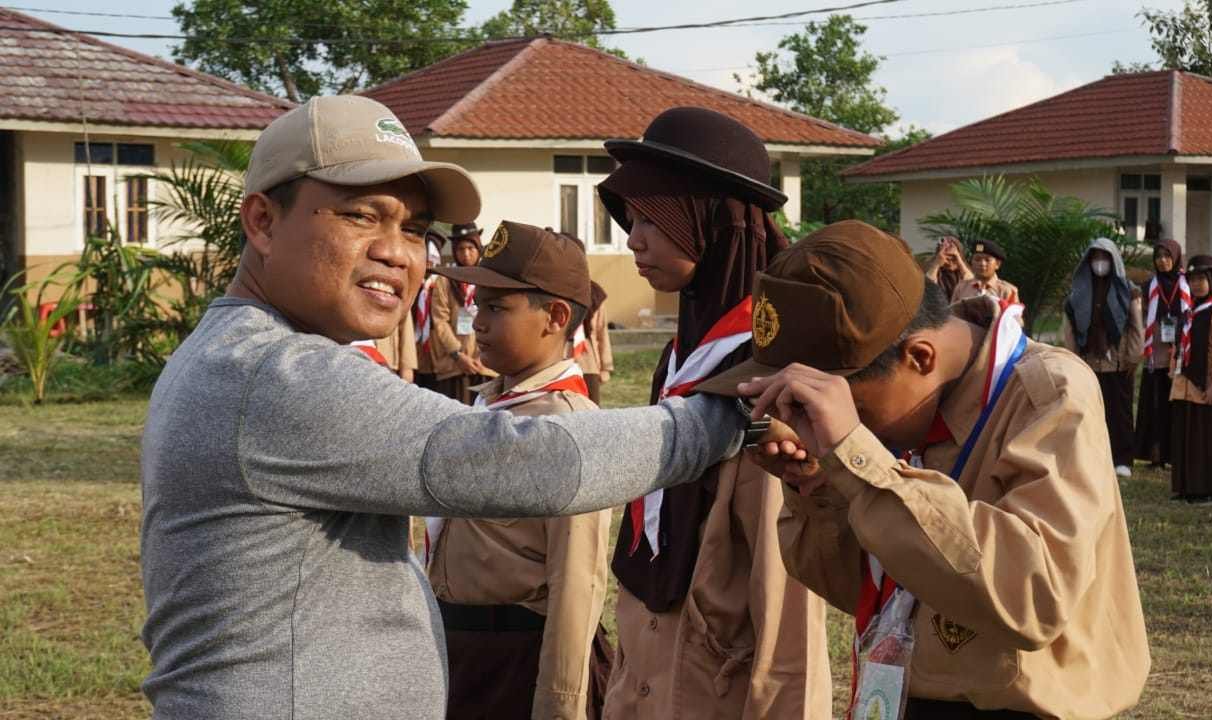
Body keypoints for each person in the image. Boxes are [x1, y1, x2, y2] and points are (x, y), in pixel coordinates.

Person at [139, 96, 778, 720]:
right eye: (362, 215)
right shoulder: (276, 375)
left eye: (415, 230)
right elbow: (535, 463)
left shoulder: (242, 355)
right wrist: (727, 418)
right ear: (263, 222)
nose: (397, 251)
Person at [699, 220, 1150, 720]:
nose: (835, 430)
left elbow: (1035, 597)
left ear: (918, 356)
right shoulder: (906, 420)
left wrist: (856, 453)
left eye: (858, 411)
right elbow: (854, 590)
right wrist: (818, 485)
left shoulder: (1048, 393)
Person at [596, 106, 831, 719]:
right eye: (632, 217)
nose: (633, 239)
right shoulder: (685, 356)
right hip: (647, 677)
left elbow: (787, 616)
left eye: (653, 218)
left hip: (715, 685)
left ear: (709, 224)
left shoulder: (773, 373)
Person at [426, 221, 612, 720]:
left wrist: (560, 706)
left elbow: (577, 585)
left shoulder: (567, 428)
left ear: (553, 316)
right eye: (476, 303)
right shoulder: (490, 406)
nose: (476, 321)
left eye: (495, 307)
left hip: (517, 658)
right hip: (463, 652)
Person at [1062, 238, 1143, 478]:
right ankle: (1093, 456)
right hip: (1088, 361)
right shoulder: (1077, 293)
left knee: (1119, 412)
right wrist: (1072, 358)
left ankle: (1122, 459)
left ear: (1113, 261)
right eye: (1095, 258)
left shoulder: (1129, 291)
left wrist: (1132, 357)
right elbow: (1070, 329)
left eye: (1104, 258)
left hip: (1117, 361)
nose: (1100, 263)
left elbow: (1136, 327)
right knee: (1090, 411)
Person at [1169, 255, 1212, 505]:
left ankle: (1210, 491)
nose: (1197, 284)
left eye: (1202, 279)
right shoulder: (1190, 313)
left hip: (1207, 388)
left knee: (1206, 440)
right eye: (1193, 279)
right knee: (1187, 438)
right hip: (1186, 387)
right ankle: (1188, 487)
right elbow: (1180, 346)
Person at [1135, 239, 1191, 469]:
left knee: (1176, 403)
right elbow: (1143, 315)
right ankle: (1156, 454)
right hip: (1156, 350)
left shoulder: (1188, 284)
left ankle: (1176, 454)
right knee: (1155, 402)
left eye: (1167, 256)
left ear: (1176, 257)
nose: (1162, 260)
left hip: (1179, 349)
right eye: (1158, 256)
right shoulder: (1149, 286)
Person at [430, 222, 494, 403]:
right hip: (454, 366)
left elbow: (498, 318)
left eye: (470, 248)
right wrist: (458, 355)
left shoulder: (489, 278)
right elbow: (440, 320)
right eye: (461, 249)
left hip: (485, 366)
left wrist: (486, 356)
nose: (466, 254)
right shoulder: (446, 280)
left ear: (478, 248)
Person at [410, 229, 447, 390]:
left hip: (438, 353)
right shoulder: (411, 282)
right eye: (427, 258)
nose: (429, 263)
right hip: (415, 350)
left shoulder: (442, 283)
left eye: (433, 258)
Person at [575, 281, 614, 404]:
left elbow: (601, 333)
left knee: (591, 412)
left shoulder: (594, 293)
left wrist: (605, 367)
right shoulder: (556, 289)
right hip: (562, 365)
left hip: (588, 364)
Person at [950, 238, 1018, 305]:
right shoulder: (961, 288)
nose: (982, 264)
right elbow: (951, 314)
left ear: (997, 264)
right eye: (977, 259)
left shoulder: (1008, 291)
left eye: (987, 260)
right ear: (972, 262)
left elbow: (1014, 315)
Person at [923, 235, 972, 301]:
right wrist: (936, 264)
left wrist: (958, 259)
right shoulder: (932, 268)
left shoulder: (963, 271)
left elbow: (972, 283)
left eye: (953, 257)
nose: (950, 260)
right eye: (947, 256)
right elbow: (928, 285)